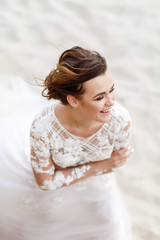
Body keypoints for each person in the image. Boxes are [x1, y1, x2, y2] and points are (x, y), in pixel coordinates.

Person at [0, 46, 132, 240]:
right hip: (53, 191)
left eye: (111, 90)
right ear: (73, 101)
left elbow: (117, 159)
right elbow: (45, 181)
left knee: (109, 224)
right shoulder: (43, 128)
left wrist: (104, 167)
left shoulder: (119, 119)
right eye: (99, 97)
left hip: (98, 187)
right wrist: (102, 165)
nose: (111, 102)